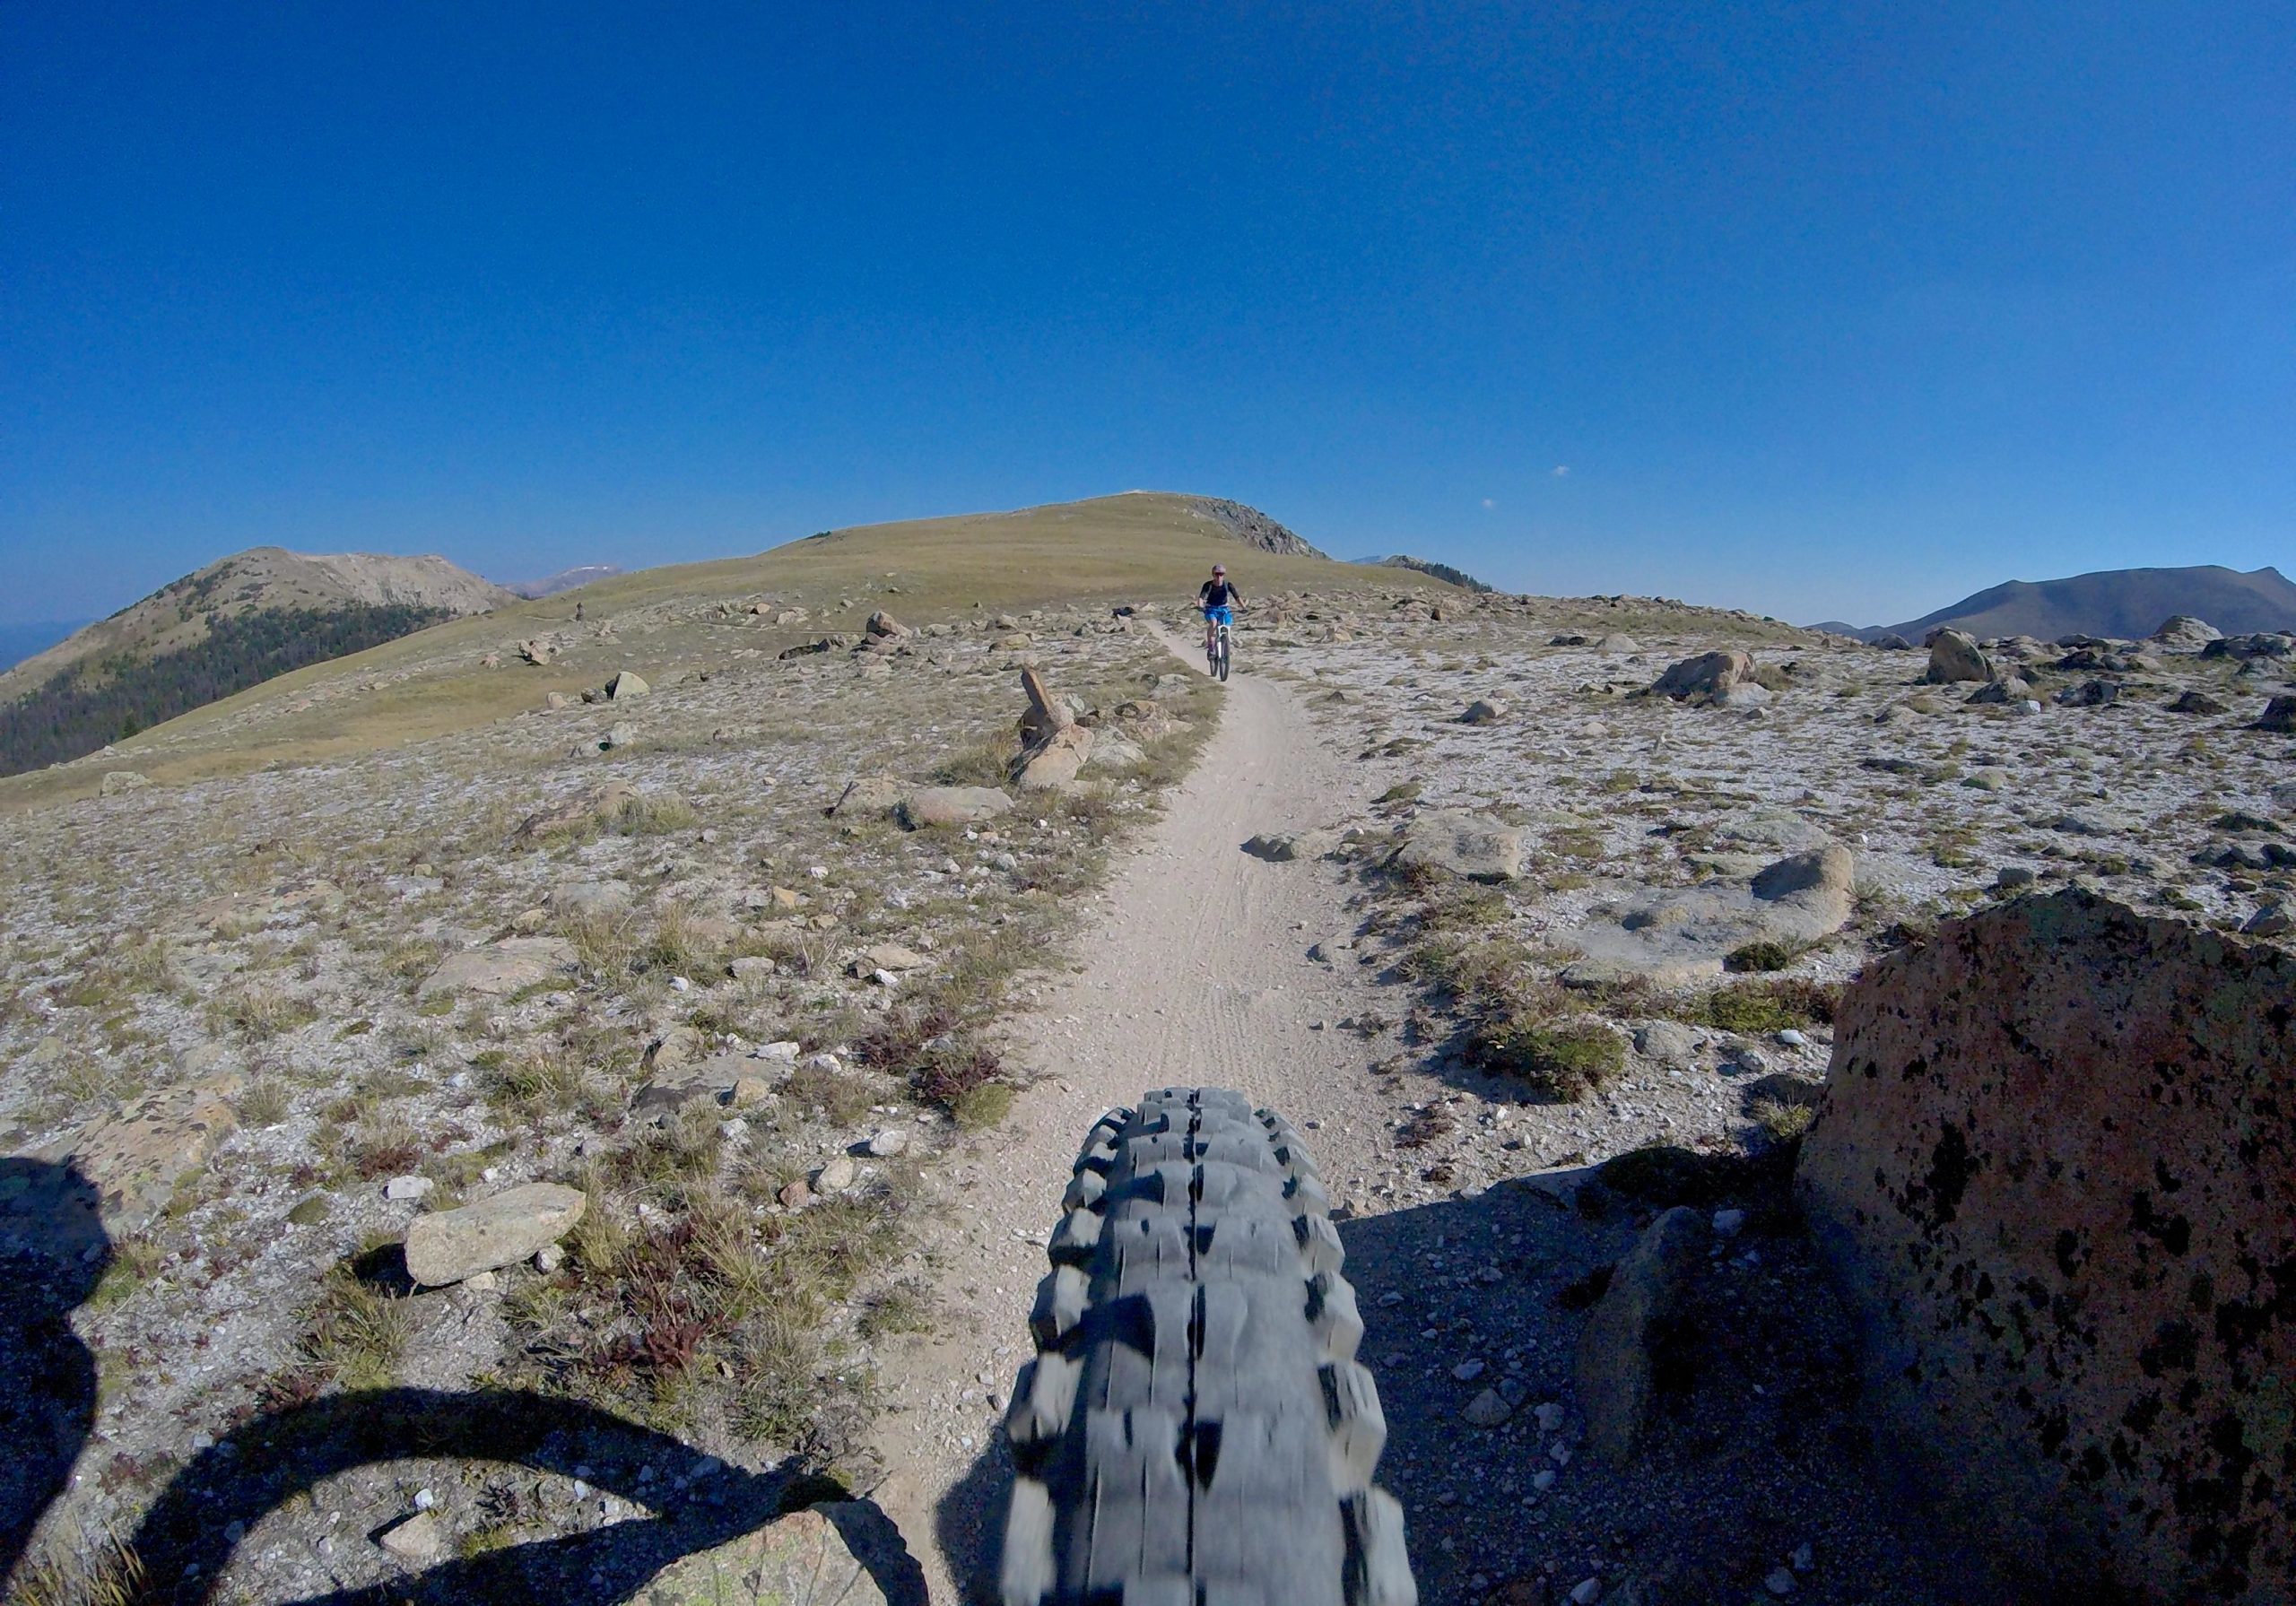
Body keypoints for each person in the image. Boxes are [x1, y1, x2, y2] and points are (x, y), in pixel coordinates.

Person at [1199, 563, 1242, 655]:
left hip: (1224, 609)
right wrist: (1200, 606)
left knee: (1226, 626)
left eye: (1221, 574)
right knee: (1214, 623)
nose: (1219, 576)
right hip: (1211, 609)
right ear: (1213, 574)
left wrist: (1244, 607)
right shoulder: (1208, 585)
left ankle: (1225, 648)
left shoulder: (1228, 585)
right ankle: (1210, 645)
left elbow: (1237, 597)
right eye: (1217, 574)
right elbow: (1201, 597)